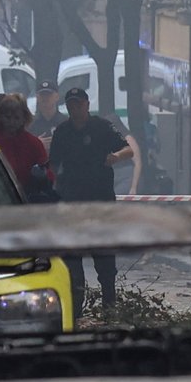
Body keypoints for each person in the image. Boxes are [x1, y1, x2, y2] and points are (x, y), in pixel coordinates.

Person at [47, 87, 133, 315]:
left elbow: (128, 149)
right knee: (73, 258)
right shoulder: (62, 132)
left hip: (101, 201)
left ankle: (109, 305)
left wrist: (115, 157)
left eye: (79, 104)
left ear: (86, 104)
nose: (75, 108)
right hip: (72, 202)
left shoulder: (102, 127)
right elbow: (53, 164)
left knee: (104, 257)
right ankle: (75, 306)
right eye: (71, 105)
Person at [0, 93, 48, 192]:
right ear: (0, 116)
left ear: (24, 118)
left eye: (17, 118)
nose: (12, 122)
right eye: (8, 117)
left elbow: (48, 174)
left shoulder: (33, 144)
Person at [105, 114, 143, 196]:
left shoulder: (128, 139)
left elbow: (138, 163)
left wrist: (134, 187)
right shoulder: (107, 141)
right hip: (111, 177)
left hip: (126, 177)